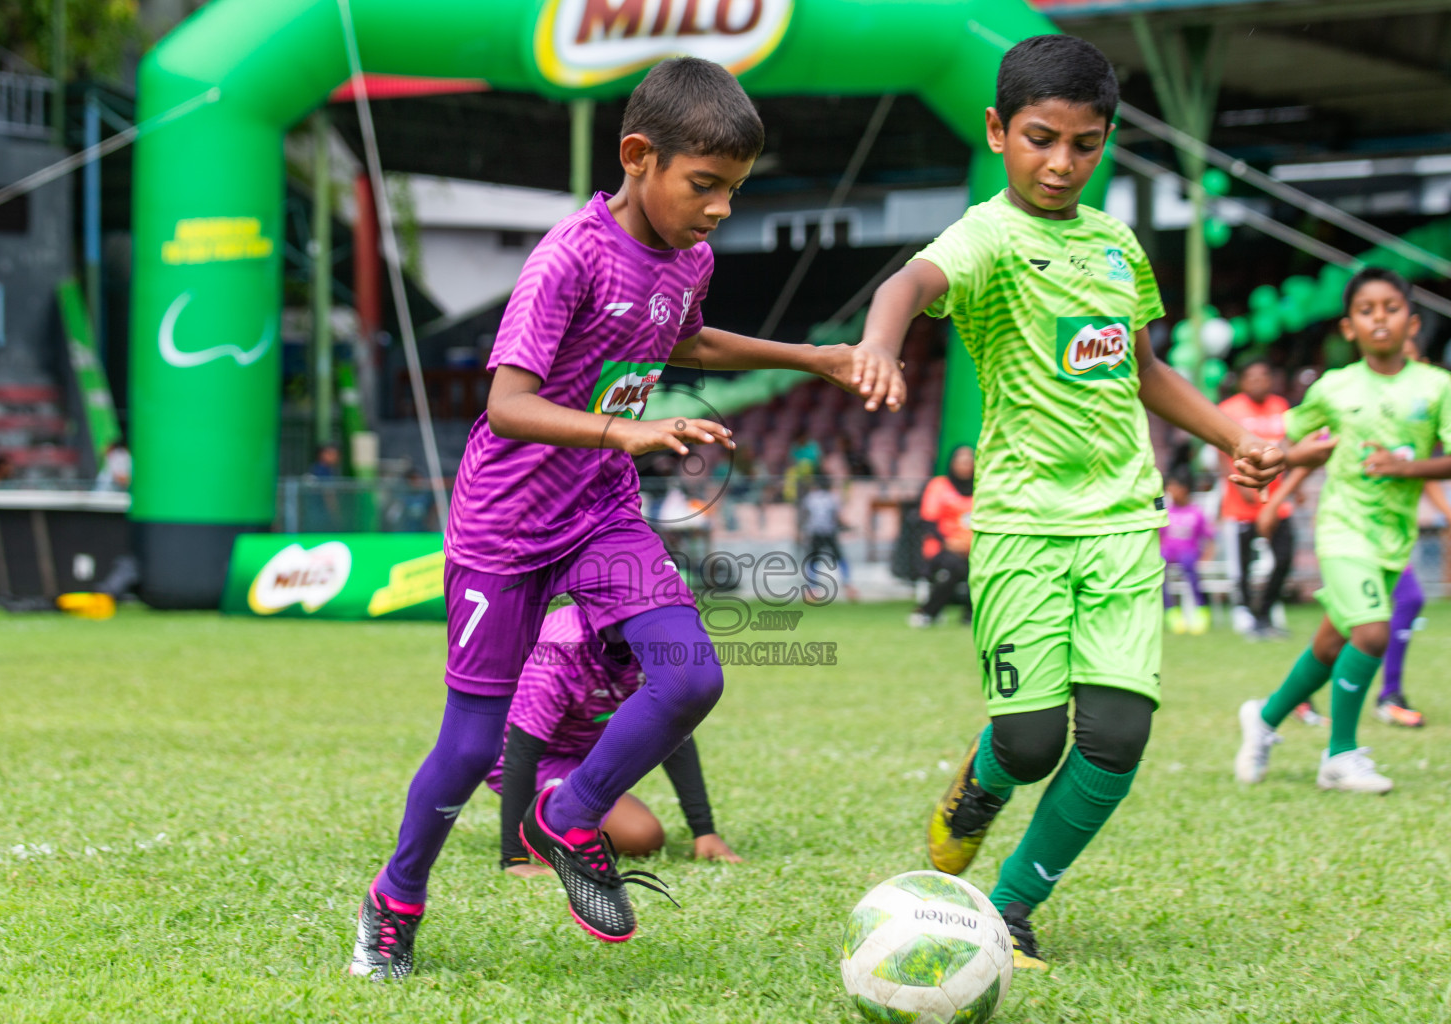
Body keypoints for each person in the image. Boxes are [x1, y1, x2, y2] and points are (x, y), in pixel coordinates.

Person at [347, 57, 901, 981]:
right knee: (474, 742)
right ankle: (395, 900)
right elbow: (509, 405)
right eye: (706, 185)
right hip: (505, 526)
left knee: (690, 678)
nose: (721, 208)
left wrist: (819, 357)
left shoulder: (692, 256)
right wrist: (625, 430)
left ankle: (567, 815)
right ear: (638, 156)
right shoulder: (568, 255)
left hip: (600, 514)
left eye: (734, 189)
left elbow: (683, 335)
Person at [858, 35, 1283, 969]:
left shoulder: (1116, 244)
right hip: (1019, 526)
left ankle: (1007, 908)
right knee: (1031, 738)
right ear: (997, 130)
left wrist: (1235, 439)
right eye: (1040, 139)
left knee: (1119, 735)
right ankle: (978, 783)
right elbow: (910, 282)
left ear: (1106, 141)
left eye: (1085, 145)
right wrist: (882, 342)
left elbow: (1144, 369)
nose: (1060, 164)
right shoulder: (986, 234)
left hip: (1126, 522)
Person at [1236, 267, 1451, 794]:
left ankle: (1263, 718)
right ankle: (1340, 755)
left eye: (1391, 308)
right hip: (1342, 529)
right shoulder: (1334, 388)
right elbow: (1287, 444)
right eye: (1366, 310)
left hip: (1392, 538)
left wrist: (1406, 469)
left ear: (1413, 322)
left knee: (1332, 646)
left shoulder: (1437, 386)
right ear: (1348, 327)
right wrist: (1268, 478)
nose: (1380, 318)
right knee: (1373, 631)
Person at [1257, 338, 1451, 730]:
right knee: (1390, 611)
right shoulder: (1355, 399)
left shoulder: (1428, 402)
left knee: (1337, 634)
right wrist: (1276, 500)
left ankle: (1274, 712)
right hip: (1347, 530)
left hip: (1392, 536)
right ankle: (1383, 701)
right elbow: (1315, 454)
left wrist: (1444, 510)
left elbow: (1422, 469)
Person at [488, 604, 740, 877]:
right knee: (642, 836)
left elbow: (671, 727)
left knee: (641, 833)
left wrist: (704, 831)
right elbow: (521, 751)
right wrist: (515, 859)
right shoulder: (562, 645)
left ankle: (564, 806)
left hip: (586, 747)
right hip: (536, 756)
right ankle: (540, 820)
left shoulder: (653, 638)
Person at [1218, 360, 1295, 638]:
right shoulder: (1229, 410)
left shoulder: (1281, 407)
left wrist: (1293, 488)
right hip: (1243, 504)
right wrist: (1240, 486)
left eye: (1264, 376)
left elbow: (1289, 446)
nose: (1259, 382)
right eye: (1252, 377)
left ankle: (1266, 611)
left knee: (1284, 558)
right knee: (1244, 565)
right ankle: (1248, 616)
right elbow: (1221, 448)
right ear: (1242, 381)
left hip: (1278, 504)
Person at [909, 445, 974, 628]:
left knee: (981, 568)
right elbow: (928, 520)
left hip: (974, 547)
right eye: (961, 461)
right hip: (942, 546)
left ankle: (971, 614)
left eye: (969, 461)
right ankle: (929, 611)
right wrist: (948, 543)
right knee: (955, 567)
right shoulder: (939, 486)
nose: (966, 465)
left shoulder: (981, 487)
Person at [1160, 467, 1214, 635]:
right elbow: (1158, 536)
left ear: (1184, 489)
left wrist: (1207, 558)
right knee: (1158, 567)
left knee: (1189, 564)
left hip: (1189, 554)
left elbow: (1209, 538)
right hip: (1168, 554)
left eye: (1173, 487)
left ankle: (1201, 610)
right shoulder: (1166, 511)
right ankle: (1172, 612)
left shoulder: (1196, 512)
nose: (1170, 491)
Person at [801, 475, 854, 599]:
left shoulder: (810, 498)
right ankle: (847, 584)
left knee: (813, 559)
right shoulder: (832, 498)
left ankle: (812, 588)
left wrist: (803, 530)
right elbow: (836, 516)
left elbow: (805, 515)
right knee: (839, 558)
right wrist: (846, 526)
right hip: (829, 532)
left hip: (815, 532)